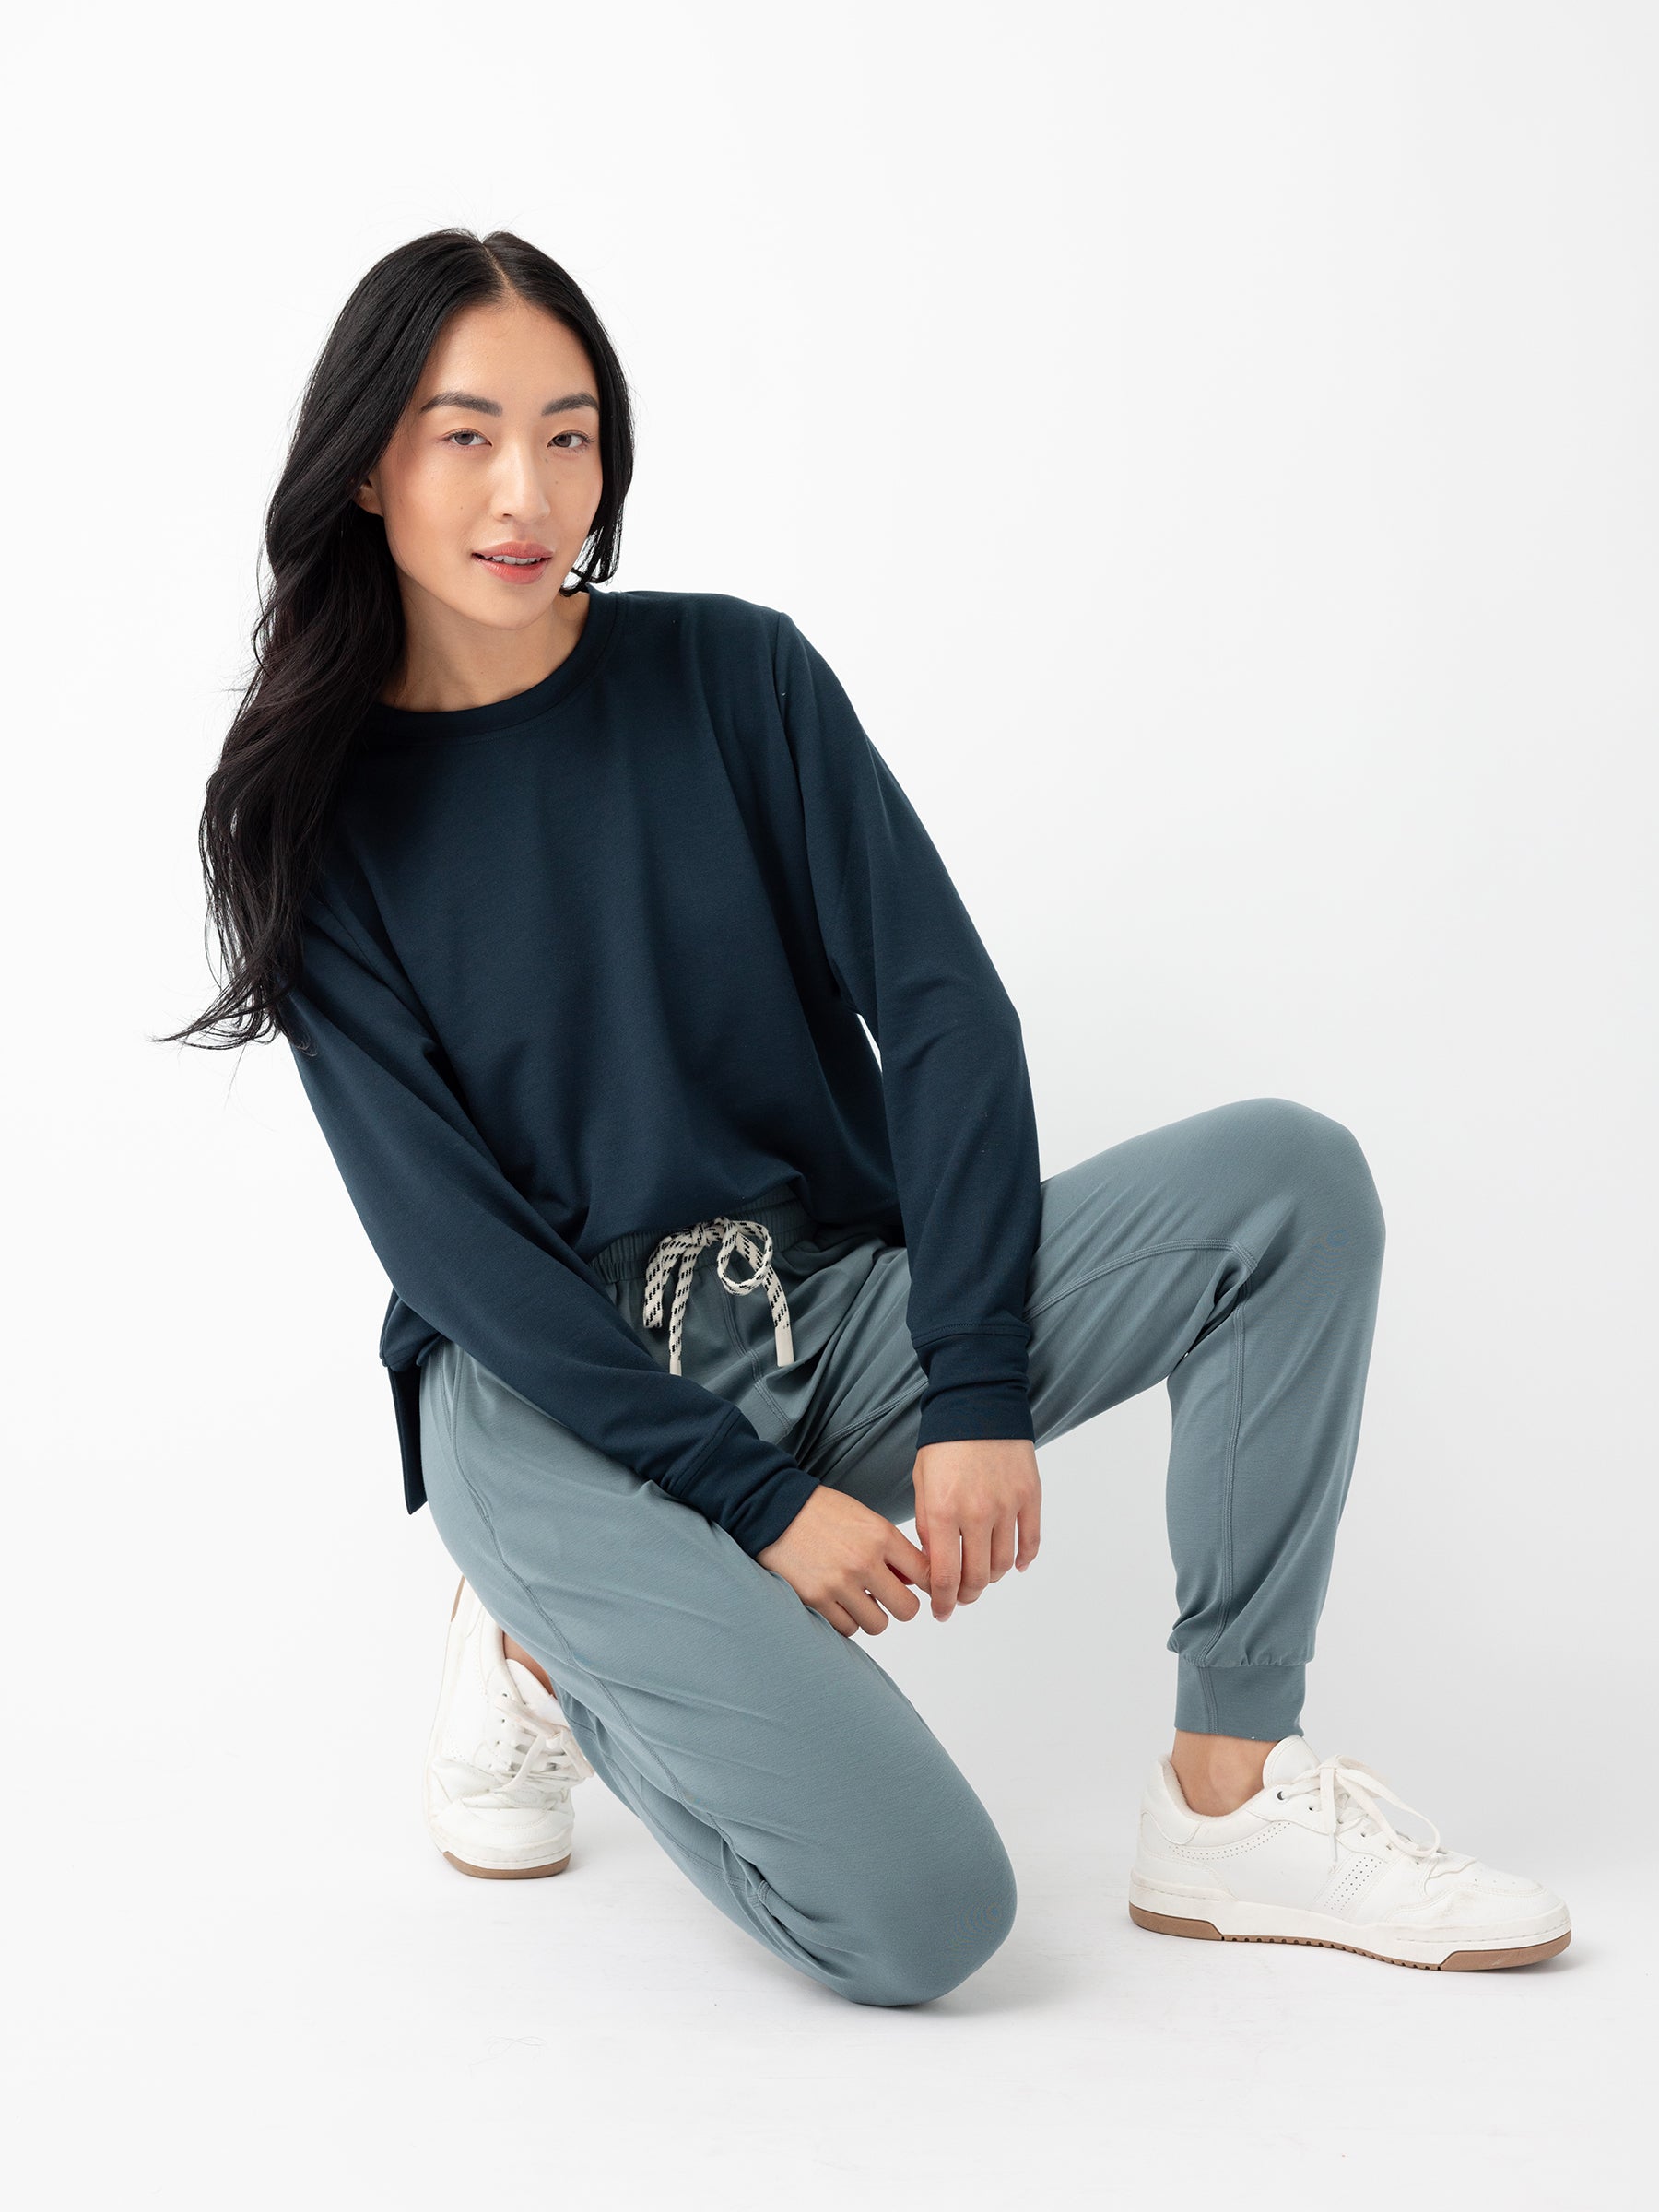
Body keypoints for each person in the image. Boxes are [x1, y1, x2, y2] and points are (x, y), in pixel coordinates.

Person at [162, 226, 1571, 2003]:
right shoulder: (309, 813)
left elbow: (945, 1012)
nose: (529, 490)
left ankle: (1229, 1793)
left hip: (815, 1311)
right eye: (467, 436)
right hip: (542, 1400)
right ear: (368, 465)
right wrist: (756, 1505)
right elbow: (452, 1248)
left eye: (570, 433)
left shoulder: (733, 679)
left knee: (1288, 1184)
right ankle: (541, 1645)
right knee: (924, 1919)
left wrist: (976, 1381)